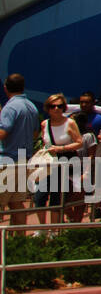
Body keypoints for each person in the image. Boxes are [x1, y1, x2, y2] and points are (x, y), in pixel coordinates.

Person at [33, 94, 86, 225]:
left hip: (64, 162)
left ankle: (54, 230)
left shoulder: (70, 123)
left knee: (56, 198)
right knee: (39, 196)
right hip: (48, 163)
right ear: (48, 108)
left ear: (64, 108)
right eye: (53, 106)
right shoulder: (45, 124)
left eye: (60, 106)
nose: (56, 109)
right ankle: (42, 229)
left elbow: (79, 143)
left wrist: (61, 148)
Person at [0, 73, 39, 225]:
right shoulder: (31, 106)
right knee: (16, 204)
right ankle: (21, 243)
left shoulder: (10, 107)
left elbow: (3, 132)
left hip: (7, 162)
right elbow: (36, 133)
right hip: (23, 161)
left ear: (5, 88)